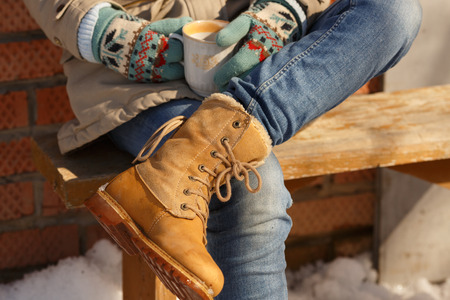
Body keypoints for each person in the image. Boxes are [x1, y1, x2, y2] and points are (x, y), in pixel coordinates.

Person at [23, 0, 422, 299]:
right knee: (252, 185)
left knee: (394, 9)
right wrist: (111, 35)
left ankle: (186, 163)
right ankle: (209, 150)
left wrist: (281, 14)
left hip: (258, 61)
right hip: (138, 82)